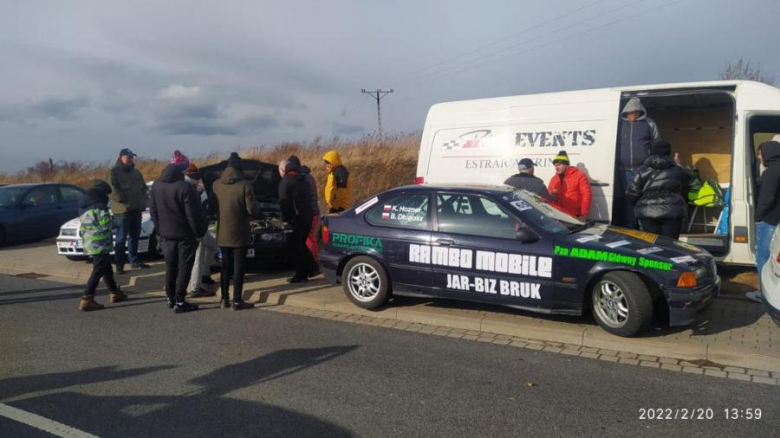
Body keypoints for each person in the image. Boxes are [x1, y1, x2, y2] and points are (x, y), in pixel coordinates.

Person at [150, 163, 207, 313]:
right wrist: (199, 233)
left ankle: (170, 298)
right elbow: (192, 215)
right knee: (184, 268)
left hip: (166, 235)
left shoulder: (156, 185)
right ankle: (180, 301)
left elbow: (153, 210)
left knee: (170, 267)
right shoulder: (185, 188)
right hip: (185, 235)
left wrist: (160, 229)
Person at [211, 152, 255, 310]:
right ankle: (237, 300)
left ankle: (224, 299)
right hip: (240, 233)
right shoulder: (245, 185)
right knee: (239, 267)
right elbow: (251, 210)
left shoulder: (216, 184)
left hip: (222, 232)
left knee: (225, 266)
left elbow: (212, 206)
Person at [625, 140, 692, 239]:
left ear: (651, 151)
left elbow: (631, 193)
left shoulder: (642, 170)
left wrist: (641, 204)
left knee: (653, 247)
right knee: (671, 245)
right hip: (672, 212)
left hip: (648, 213)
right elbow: (690, 182)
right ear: (669, 152)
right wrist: (679, 165)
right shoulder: (678, 170)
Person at [78, 180, 127, 311]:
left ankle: (115, 292)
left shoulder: (84, 205)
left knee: (106, 268)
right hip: (100, 242)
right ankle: (87, 298)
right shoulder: (99, 206)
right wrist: (116, 221)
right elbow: (106, 225)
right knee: (99, 269)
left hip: (89, 241)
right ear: (101, 194)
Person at [615, 97, 660, 229]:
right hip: (623, 170)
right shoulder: (619, 125)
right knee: (628, 199)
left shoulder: (649, 123)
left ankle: (643, 228)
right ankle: (630, 227)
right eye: (630, 112)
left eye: (636, 112)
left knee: (643, 199)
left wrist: (653, 165)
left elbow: (657, 143)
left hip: (643, 170)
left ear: (640, 112)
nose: (633, 115)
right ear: (626, 112)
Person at [747, 140, 780, 303]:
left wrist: (758, 217)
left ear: (768, 153)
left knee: (763, 257)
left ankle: (763, 293)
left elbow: (767, 198)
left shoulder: (771, 172)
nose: (759, 156)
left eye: (760, 153)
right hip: (777, 220)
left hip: (769, 221)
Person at [108, 148, 149, 274]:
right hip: (122, 212)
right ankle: (119, 265)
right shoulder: (113, 172)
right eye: (128, 157)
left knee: (134, 237)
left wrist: (143, 201)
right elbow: (112, 191)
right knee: (121, 239)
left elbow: (143, 188)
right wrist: (124, 200)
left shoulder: (136, 172)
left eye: (132, 157)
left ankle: (134, 261)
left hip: (136, 210)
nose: (131, 159)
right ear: (121, 157)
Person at [183, 163, 218, 298]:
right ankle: (195, 288)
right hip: (196, 229)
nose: (197, 179)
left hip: (198, 227)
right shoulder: (188, 189)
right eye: (195, 176)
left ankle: (205, 273)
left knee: (213, 245)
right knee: (197, 257)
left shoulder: (190, 188)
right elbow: (192, 212)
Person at [279, 159, 315, 283]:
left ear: (285, 170)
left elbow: (284, 202)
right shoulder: (304, 180)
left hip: (296, 219)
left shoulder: (286, 182)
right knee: (302, 245)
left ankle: (301, 275)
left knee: (295, 247)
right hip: (307, 218)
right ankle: (310, 269)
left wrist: (286, 219)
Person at [288, 155, 321, 277]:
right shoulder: (309, 176)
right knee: (312, 239)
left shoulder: (302, 178)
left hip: (310, 213)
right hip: (315, 212)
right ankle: (316, 263)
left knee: (309, 241)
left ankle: (314, 265)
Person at [547, 150, 592, 219]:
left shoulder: (579, 176)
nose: (556, 167)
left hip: (574, 216)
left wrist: (583, 214)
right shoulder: (554, 179)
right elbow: (548, 196)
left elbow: (586, 196)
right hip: (558, 216)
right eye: (555, 165)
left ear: (566, 165)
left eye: (559, 165)